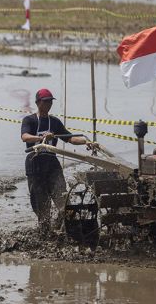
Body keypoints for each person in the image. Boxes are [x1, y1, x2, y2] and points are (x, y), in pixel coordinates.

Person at [21, 88, 98, 230]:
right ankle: (44, 232)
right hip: (35, 164)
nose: (48, 104)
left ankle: (62, 228)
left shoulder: (55, 122)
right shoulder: (30, 120)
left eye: (50, 101)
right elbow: (24, 136)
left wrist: (86, 142)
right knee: (42, 208)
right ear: (38, 103)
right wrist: (41, 138)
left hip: (52, 165)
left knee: (63, 200)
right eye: (45, 101)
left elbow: (70, 138)